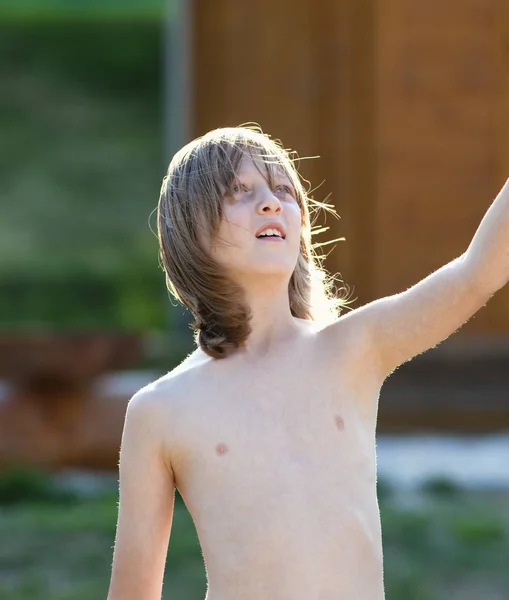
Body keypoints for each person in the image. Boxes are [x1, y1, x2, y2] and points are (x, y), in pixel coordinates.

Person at [106, 125, 509, 600]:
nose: (271, 202)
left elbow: (477, 273)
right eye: (240, 191)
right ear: (190, 231)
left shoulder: (353, 349)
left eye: (282, 190)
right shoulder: (160, 410)